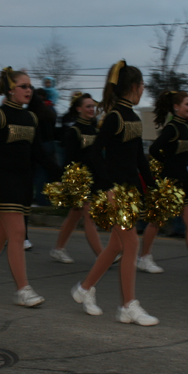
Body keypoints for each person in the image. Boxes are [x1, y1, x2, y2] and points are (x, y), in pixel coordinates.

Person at [70, 60, 160, 326]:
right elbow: (96, 154)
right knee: (132, 244)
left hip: (130, 189)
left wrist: (153, 186)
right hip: (115, 191)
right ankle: (128, 305)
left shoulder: (134, 116)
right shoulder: (114, 117)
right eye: (142, 85)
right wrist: (108, 188)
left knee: (117, 246)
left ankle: (84, 289)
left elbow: (138, 158)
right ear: (134, 86)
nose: (144, 89)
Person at [0, 68, 61, 307]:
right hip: (2, 181)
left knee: (3, 234)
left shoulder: (31, 118)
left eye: (30, 86)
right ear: (11, 89)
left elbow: (38, 152)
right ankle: (23, 290)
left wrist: (61, 173)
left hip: (23, 182)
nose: (29, 90)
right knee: (18, 233)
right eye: (23, 86)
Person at [137, 90, 188, 276]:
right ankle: (144, 258)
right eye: (187, 104)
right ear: (176, 107)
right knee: (156, 221)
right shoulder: (172, 128)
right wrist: (167, 166)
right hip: (169, 180)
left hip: (183, 179)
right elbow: (155, 148)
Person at [49, 93, 104, 264]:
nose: (91, 109)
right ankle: (103, 256)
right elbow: (68, 159)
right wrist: (65, 180)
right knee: (88, 215)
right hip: (78, 180)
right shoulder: (74, 131)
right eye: (87, 106)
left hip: (94, 178)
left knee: (74, 216)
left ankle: (58, 249)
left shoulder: (95, 130)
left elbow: (98, 157)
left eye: (93, 106)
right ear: (78, 109)